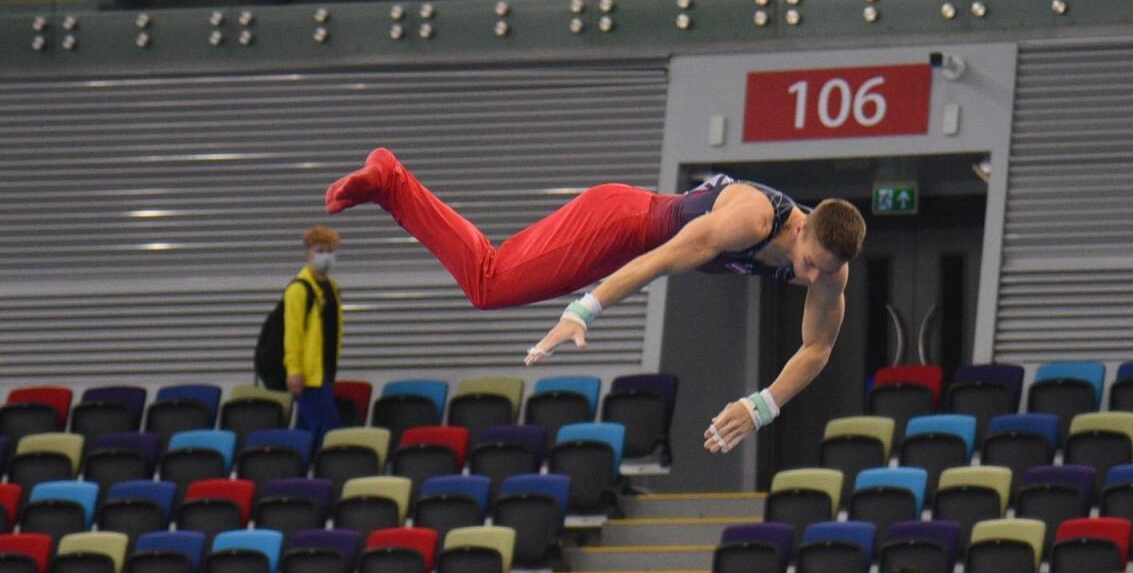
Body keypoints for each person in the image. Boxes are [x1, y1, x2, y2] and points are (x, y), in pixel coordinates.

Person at [325, 147, 865, 453]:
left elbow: (816, 347)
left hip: (627, 234)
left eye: (826, 270)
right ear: (803, 227)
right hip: (618, 226)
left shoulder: (829, 275)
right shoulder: (751, 219)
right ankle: (391, 181)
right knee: (488, 283)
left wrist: (759, 407)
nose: (810, 275)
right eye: (810, 260)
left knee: (489, 280)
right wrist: (583, 311)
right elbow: (658, 261)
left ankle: (390, 184)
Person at [285, 225, 344, 441]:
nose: (325, 256)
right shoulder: (299, 290)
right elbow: (292, 333)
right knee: (327, 430)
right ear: (308, 252)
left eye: (330, 251)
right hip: (309, 376)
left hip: (325, 372)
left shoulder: (331, 288)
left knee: (306, 432)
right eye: (320, 251)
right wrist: (294, 371)